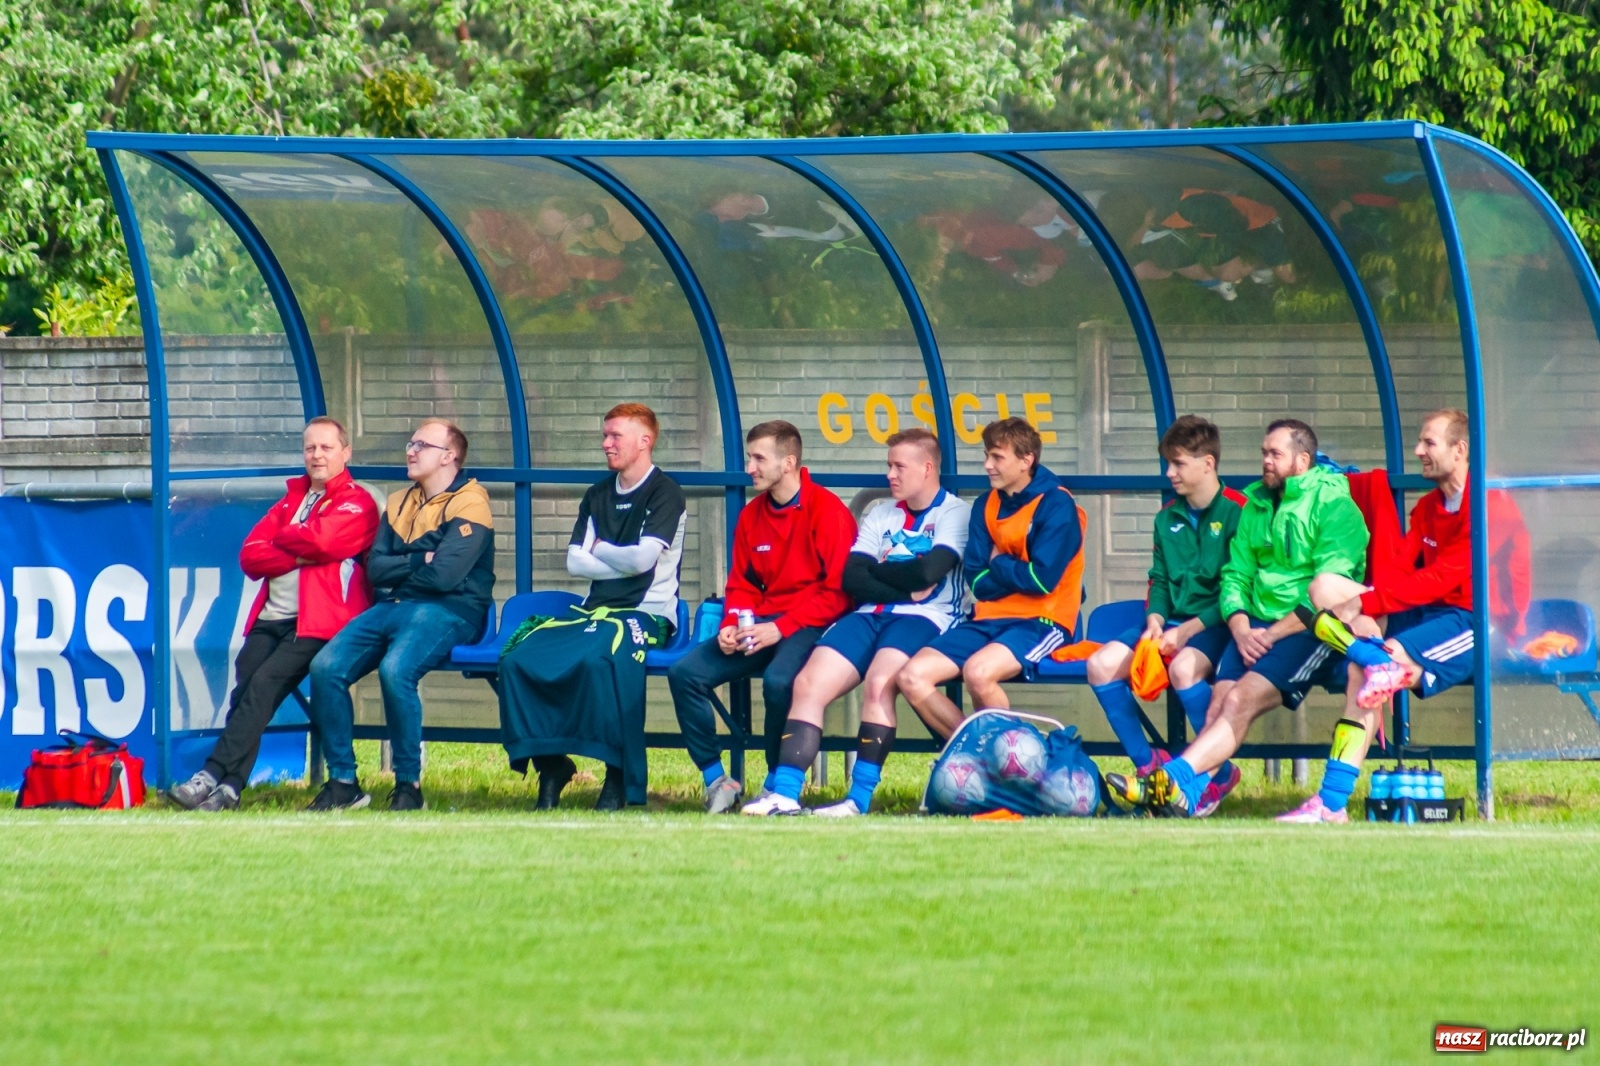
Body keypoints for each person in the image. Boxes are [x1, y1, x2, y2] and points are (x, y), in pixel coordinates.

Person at [1106, 418, 1369, 817]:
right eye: (1264, 452)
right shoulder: (1258, 504)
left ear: (1302, 460)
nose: (1265, 460)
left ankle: (1165, 781)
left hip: (1309, 629)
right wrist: (1241, 625)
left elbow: (1329, 593)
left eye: (1274, 454)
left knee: (1238, 701)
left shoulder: (1335, 505)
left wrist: (1270, 633)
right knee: (1218, 707)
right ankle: (1190, 796)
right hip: (1253, 627)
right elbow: (1235, 575)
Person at [1279, 409, 1530, 823]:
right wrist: (1365, 601)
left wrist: (1365, 604)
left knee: (1371, 665)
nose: (1417, 451)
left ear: (1460, 450)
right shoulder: (1430, 506)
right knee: (1324, 587)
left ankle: (1331, 800)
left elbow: (1438, 577)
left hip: (1482, 624)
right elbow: (1397, 570)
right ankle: (1373, 663)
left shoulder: (1491, 504)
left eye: (1428, 443)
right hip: (1434, 613)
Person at [742, 429, 969, 817]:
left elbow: (931, 569)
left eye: (899, 466)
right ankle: (785, 794)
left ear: (928, 468)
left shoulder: (956, 512)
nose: (890, 475)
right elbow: (851, 577)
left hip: (927, 618)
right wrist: (902, 579)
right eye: (888, 466)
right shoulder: (880, 512)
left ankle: (857, 800)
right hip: (867, 615)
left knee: (881, 682)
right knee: (808, 683)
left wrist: (883, 573)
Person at [167, 417, 378, 811]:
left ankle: (209, 776)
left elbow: (327, 539)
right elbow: (251, 555)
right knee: (246, 691)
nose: (317, 455)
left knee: (263, 685)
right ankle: (229, 790)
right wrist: (302, 548)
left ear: (345, 453)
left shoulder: (357, 500)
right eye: (310, 448)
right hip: (271, 617)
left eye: (326, 448)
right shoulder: (290, 499)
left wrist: (289, 540)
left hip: (319, 622)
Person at [498, 403, 687, 812]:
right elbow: (574, 562)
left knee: (603, 660)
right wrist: (619, 555)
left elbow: (644, 562)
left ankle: (617, 775)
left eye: (615, 436)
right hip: (592, 610)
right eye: (605, 435)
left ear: (644, 440)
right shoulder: (598, 493)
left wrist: (600, 549)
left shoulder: (666, 492)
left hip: (648, 615)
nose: (606, 444)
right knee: (518, 657)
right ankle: (552, 766)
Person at [306, 418, 495, 812]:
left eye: (421, 445)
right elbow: (374, 569)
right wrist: (422, 558)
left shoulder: (471, 501)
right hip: (394, 605)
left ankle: (408, 785)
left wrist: (406, 565)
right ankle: (343, 782)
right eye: (410, 443)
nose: (410, 450)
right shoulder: (398, 501)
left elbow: (446, 576)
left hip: (451, 610)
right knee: (325, 666)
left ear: (449, 456)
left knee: (396, 670)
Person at [669, 420, 856, 813]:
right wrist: (730, 626)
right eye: (749, 457)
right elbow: (741, 584)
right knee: (686, 673)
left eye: (758, 458)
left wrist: (781, 628)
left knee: (779, 682)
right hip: (762, 623)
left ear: (788, 463)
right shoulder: (753, 514)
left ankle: (777, 785)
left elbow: (839, 592)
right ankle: (717, 781)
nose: (750, 467)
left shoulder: (828, 510)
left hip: (811, 623)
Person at [1086, 415, 1247, 816]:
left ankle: (1217, 771)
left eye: (1178, 463)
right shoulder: (1165, 517)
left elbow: (1239, 590)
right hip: (1168, 622)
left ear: (1207, 463)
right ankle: (1149, 769)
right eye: (1168, 463)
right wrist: (1155, 621)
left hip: (1216, 624)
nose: (1169, 472)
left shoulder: (1240, 512)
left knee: (1183, 670)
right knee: (1100, 665)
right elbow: (1157, 580)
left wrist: (1188, 630)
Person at [897, 417, 1087, 740]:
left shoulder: (1057, 504)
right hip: (987, 619)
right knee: (912, 676)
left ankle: (1019, 766)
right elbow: (978, 581)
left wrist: (998, 563)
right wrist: (1014, 570)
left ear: (1026, 461)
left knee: (978, 673)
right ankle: (980, 756)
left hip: (1043, 621)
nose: (987, 465)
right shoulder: (986, 504)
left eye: (997, 457)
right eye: (987, 455)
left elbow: (1043, 581)